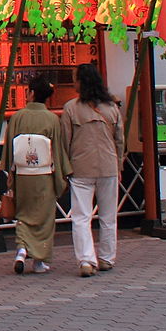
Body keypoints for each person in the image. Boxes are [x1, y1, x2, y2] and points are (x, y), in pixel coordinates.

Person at [60, 62, 124, 277]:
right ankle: (107, 257)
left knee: (81, 217)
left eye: (75, 78)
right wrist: (119, 166)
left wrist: (65, 168)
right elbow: (119, 141)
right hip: (108, 166)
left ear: (82, 82)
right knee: (108, 216)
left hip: (80, 168)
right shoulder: (112, 108)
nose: (73, 82)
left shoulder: (70, 108)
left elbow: (65, 142)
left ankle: (86, 260)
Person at [6, 74, 69, 275]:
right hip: (44, 175)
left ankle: (22, 249)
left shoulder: (18, 117)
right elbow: (57, 151)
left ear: (31, 93)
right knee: (44, 218)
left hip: (23, 174)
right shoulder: (52, 119)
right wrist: (62, 175)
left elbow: (9, 150)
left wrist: (10, 172)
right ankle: (39, 261)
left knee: (23, 214)